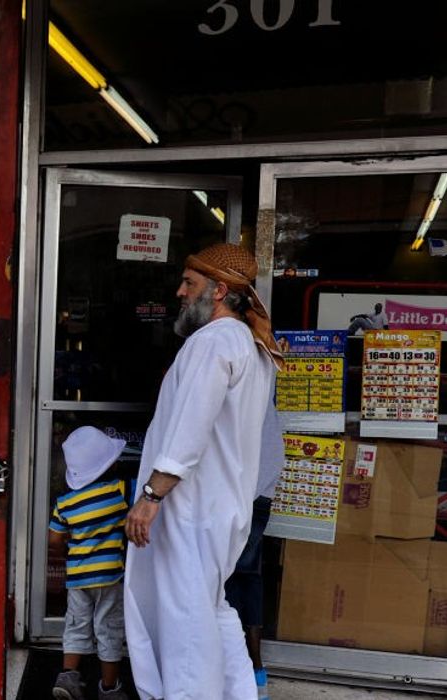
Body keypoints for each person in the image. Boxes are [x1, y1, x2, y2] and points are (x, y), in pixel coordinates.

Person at [123, 242, 283, 700]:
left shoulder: (212, 342)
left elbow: (190, 429)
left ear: (218, 291)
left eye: (189, 284)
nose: (179, 292)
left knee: (185, 621)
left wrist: (151, 497)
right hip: (222, 507)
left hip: (191, 508)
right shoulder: (249, 344)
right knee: (212, 609)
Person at [50, 426, 131, 700]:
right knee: (108, 628)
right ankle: (109, 688)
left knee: (76, 625)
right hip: (109, 576)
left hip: (78, 576)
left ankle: (68, 678)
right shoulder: (120, 491)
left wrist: (70, 549)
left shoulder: (64, 502)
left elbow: (54, 540)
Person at [223, 395, 284, 700]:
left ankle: (239, 674)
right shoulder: (263, 390)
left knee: (228, 580)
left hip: (239, 496)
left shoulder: (238, 395)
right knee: (249, 576)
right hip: (260, 495)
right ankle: (256, 674)